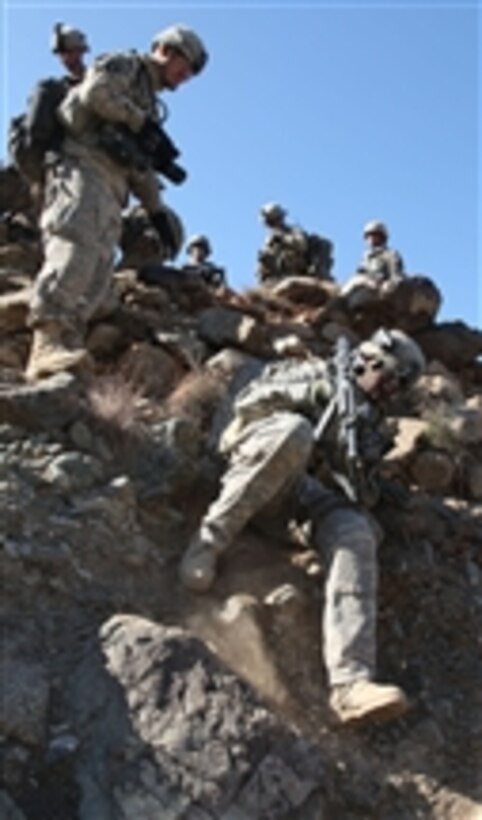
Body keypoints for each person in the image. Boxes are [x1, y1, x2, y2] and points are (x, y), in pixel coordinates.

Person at [180, 328, 425, 726]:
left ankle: (351, 683)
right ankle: (207, 543)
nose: (389, 392)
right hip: (255, 473)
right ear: (369, 362)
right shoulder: (309, 374)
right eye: (388, 380)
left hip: (300, 505)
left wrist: (357, 466)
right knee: (294, 432)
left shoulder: (370, 424)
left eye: (398, 388)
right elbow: (245, 410)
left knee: (355, 531)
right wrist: (311, 400)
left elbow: (357, 492)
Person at [25, 24, 208, 382]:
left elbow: (139, 168)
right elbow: (96, 93)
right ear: (166, 51)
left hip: (113, 188)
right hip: (81, 168)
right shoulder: (126, 65)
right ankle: (45, 341)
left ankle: (67, 345)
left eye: (188, 74)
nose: (183, 78)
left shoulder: (149, 104)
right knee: (75, 248)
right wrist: (141, 123)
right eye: (182, 68)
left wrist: (156, 211)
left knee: (98, 267)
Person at [257, 202, 334, 286]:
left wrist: (283, 239)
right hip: (278, 274)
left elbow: (302, 245)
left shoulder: (293, 231)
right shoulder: (270, 240)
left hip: (297, 270)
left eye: (272, 221)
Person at [341, 221, 405, 308]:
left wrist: (388, 285)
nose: (370, 239)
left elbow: (397, 276)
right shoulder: (366, 258)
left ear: (381, 237)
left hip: (378, 286)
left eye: (374, 235)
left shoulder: (389, 254)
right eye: (368, 236)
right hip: (363, 287)